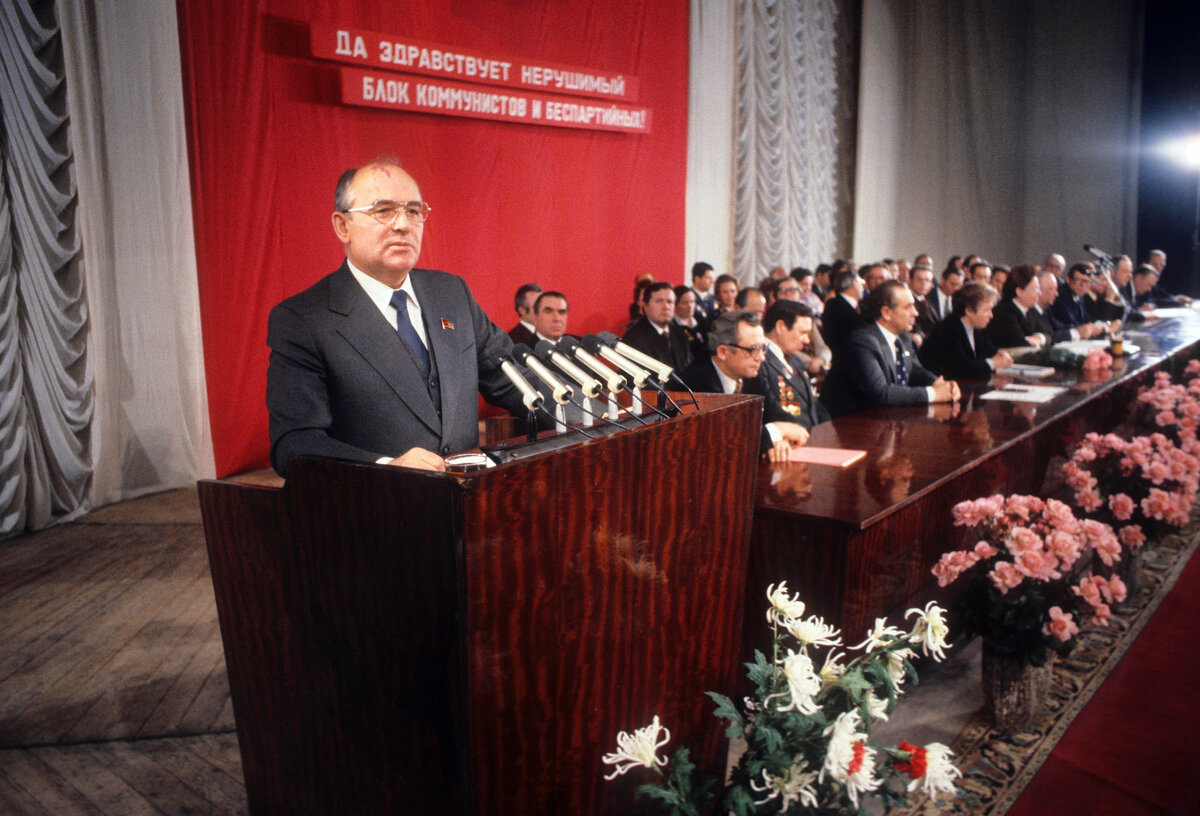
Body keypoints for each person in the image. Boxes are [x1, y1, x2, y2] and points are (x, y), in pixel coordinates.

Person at [266, 156, 528, 476]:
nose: (403, 225)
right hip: (380, 513)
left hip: (469, 506)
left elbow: (516, 382)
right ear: (342, 225)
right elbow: (294, 444)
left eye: (413, 211)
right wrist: (390, 467)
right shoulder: (303, 320)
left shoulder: (451, 293)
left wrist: (588, 417)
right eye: (383, 210)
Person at [679, 310, 810, 460]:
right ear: (723, 352)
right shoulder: (692, 385)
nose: (761, 358)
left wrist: (781, 440)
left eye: (763, 348)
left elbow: (783, 418)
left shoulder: (751, 374)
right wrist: (775, 431)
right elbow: (720, 441)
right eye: (753, 349)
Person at [819, 280, 960, 418]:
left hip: (885, 419)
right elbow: (880, 394)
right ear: (886, 312)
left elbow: (915, 371)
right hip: (847, 425)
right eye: (908, 307)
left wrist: (939, 384)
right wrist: (933, 394)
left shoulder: (903, 337)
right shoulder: (862, 342)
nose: (915, 313)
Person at [747, 300, 831, 429]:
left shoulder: (796, 361)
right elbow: (771, 413)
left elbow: (814, 407)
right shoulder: (758, 363)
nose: (807, 340)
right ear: (781, 327)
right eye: (802, 333)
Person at [918, 282, 1013, 379]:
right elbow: (962, 369)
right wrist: (992, 363)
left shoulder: (978, 328)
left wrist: (1000, 355)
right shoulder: (947, 330)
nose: (991, 315)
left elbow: (989, 352)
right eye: (986, 310)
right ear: (969, 311)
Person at [622, 281, 694, 371]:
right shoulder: (632, 339)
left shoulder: (681, 334)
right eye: (659, 301)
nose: (666, 306)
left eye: (670, 301)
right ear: (645, 305)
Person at [986, 264, 1049, 349]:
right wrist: (1037, 340)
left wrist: (1038, 338)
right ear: (1019, 291)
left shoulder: (1030, 310)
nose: (1039, 293)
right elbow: (1020, 343)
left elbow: (1048, 335)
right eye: (1035, 289)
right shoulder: (1004, 312)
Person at [820, 268, 864, 358]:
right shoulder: (834, 305)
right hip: (844, 358)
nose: (863, 287)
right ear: (854, 283)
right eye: (861, 283)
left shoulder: (862, 306)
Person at [909, 264, 938, 346]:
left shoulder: (928, 301)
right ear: (910, 281)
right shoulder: (907, 302)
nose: (924, 283)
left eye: (927, 280)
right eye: (919, 280)